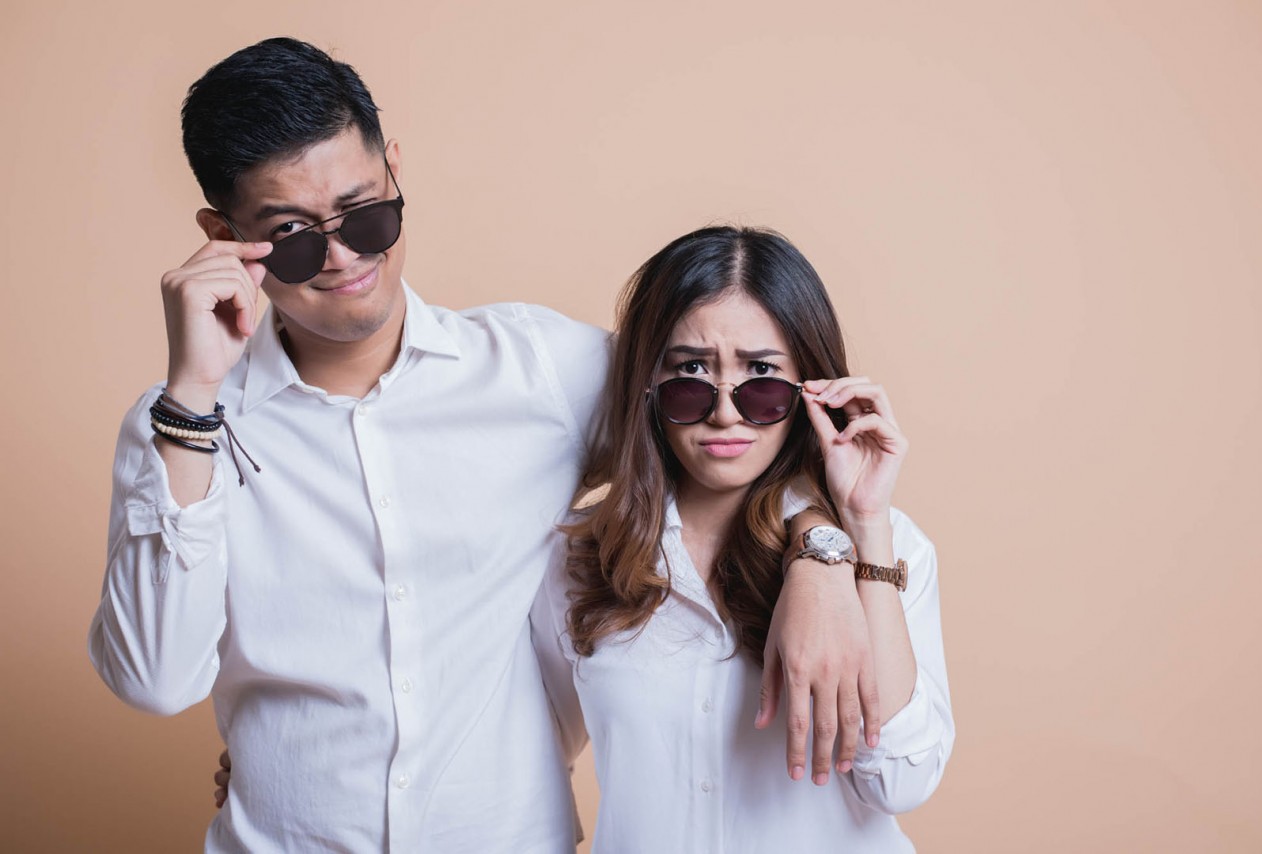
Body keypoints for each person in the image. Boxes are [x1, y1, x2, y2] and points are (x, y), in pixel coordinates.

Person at [89, 38, 880, 851]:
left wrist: (819, 555)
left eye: (366, 215)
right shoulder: (182, 424)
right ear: (223, 235)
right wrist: (193, 399)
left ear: (395, 171)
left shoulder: (541, 371)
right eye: (292, 236)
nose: (344, 258)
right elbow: (154, 679)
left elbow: (737, 428)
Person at [530, 226, 954, 851]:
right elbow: (535, 756)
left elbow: (900, 781)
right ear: (647, 383)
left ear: (810, 386)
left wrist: (863, 525)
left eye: (761, 372)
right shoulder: (578, 559)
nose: (725, 412)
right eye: (691, 370)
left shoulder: (891, 547)